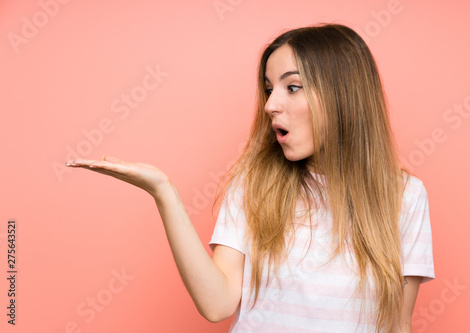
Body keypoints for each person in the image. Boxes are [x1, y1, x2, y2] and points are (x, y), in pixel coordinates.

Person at [66, 23, 434, 332]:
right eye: (269, 88)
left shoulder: (405, 197)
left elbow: (396, 325)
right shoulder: (254, 185)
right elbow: (217, 303)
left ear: (343, 96)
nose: (271, 104)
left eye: (292, 87)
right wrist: (163, 192)